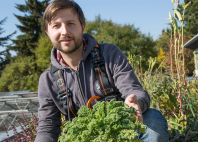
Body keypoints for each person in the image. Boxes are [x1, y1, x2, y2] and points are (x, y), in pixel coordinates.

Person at [35, 0, 169, 141]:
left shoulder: (109, 54)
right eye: (56, 26)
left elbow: (135, 90)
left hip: (122, 132)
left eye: (71, 23)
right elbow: (47, 127)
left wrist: (134, 102)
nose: (65, 32)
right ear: (47, 32)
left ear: (82, 26)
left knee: (153, 119)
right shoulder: (47, 80)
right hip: (87, 138)